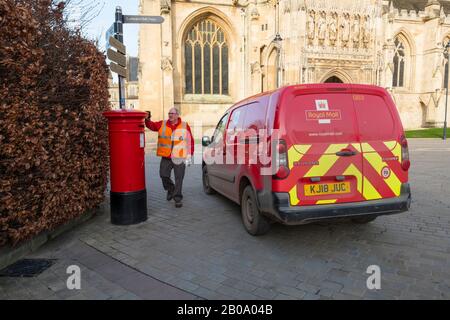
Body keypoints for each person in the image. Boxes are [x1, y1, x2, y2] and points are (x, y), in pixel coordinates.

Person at [145, 108, 194, 208]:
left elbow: (190, 141)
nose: (170, 115)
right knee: (163, 175)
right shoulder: (162, 124)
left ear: (177, 115)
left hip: (179, 157)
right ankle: (171, 189)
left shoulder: (184, 125)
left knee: (179, 178)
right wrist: (147, 119)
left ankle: (177, 199)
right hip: (166, 156)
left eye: (172, 113)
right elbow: (152, 126)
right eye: (169, 113)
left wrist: (189, 154)